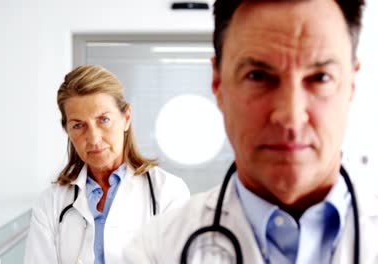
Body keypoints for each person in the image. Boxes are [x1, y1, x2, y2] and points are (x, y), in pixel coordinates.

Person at [125, 0, 378, 263]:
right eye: (257, 76)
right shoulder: (155, 250)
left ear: (351, 84)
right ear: (218, 82)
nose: (290, 117)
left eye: (320, 77)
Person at [24, 65, 190, 263]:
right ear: (67, 130)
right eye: (78, 125)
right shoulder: (51, 204)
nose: (93, 138)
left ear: (126, 118)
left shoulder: (168, 192)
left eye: (103, 120)